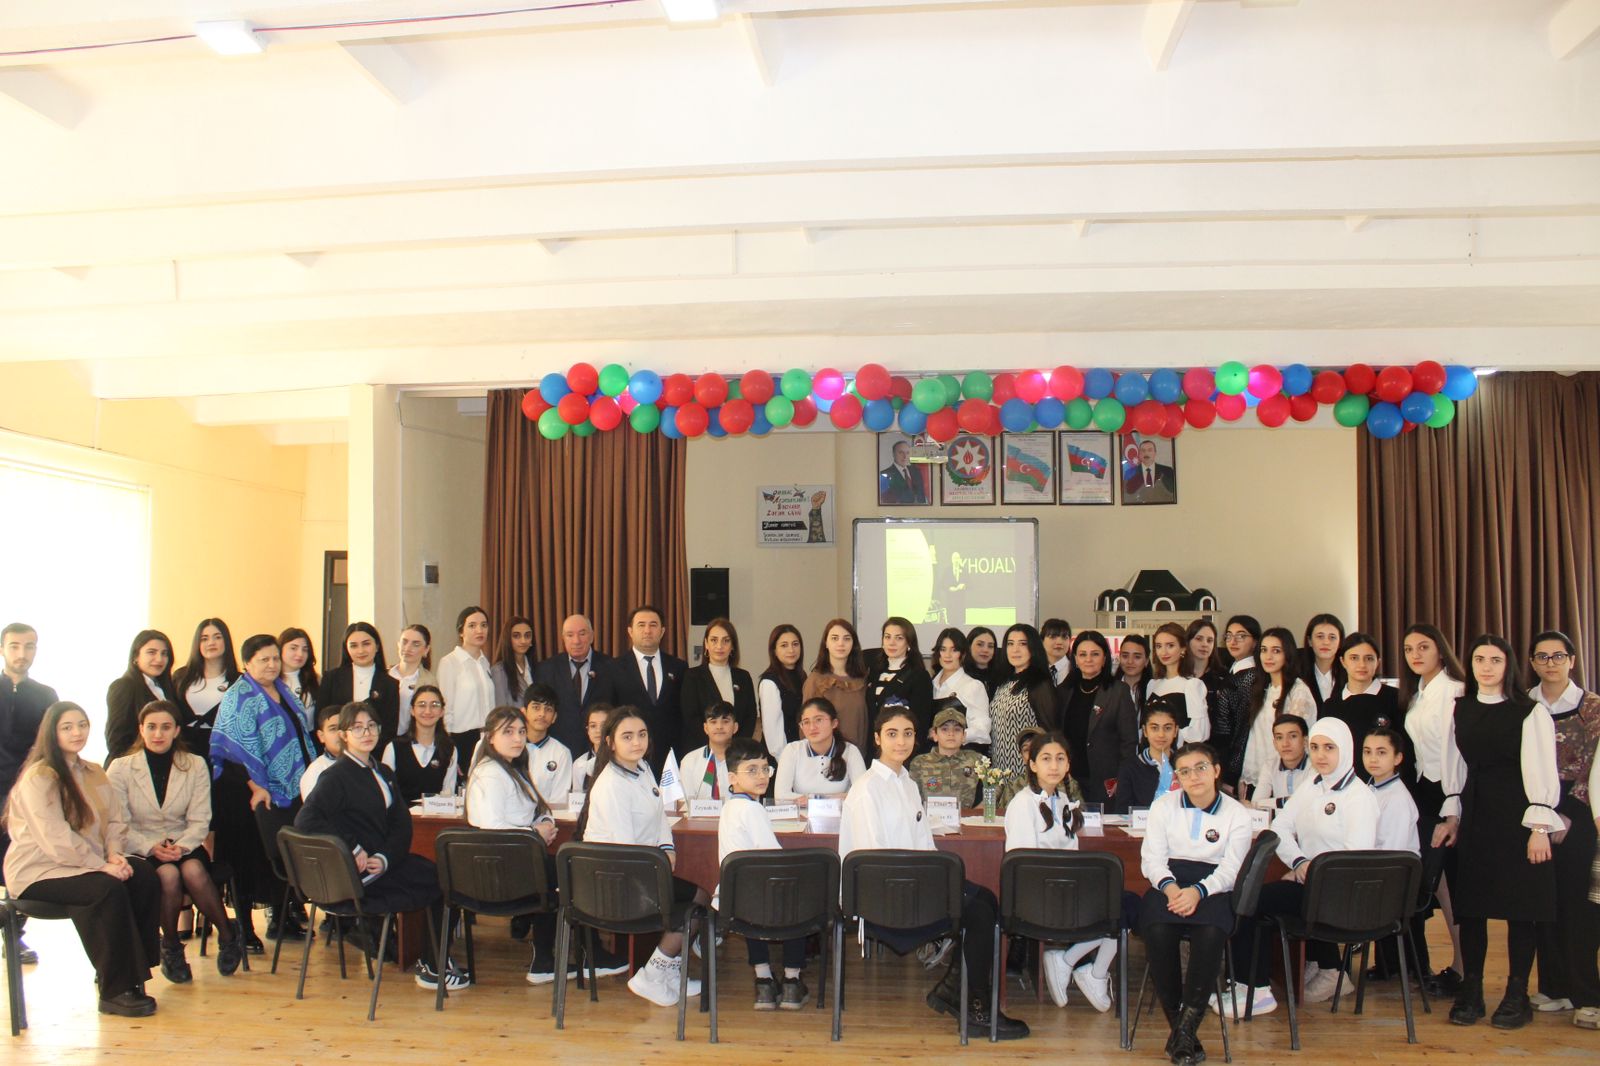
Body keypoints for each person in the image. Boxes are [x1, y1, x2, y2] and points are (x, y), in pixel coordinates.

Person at [839, 704, 1029, 1039]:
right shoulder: (868, 788)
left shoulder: (907, 782)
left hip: (913, 882)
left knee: (986, 899)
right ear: (877, 738)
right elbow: (873, 862)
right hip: (885, 896)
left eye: (908, 734)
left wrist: (943, 881)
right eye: (892, 734)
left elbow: (925, 846)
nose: (901, 742)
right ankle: (975, 1008)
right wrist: (934, 885)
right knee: (978, 914)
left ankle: (957, 990)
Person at [4, 701, 161, 1016]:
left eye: (82, 725)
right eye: (67, 727)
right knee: (105, 888)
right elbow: (55, 838)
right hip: (39, 872)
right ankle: (114, 991)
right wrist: (101, 866)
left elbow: (115, 820)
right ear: (52, 733)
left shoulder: (94, 771)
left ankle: (127, 971)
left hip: (87, 865)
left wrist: (114, 854)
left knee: (143, 874)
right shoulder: (39, 777)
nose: (77, 732)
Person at [295, 702, 467, 991]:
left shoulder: (383, 771)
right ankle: (433, 966)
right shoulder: (336, 775)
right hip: (357, 876)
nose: (366, 733)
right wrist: (351, 849)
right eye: (357, 728)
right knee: (441, 883)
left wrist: (386, 857)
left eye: (371, 726)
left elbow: (401, 824)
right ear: (344, 735)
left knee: (446, 875)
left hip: (384, 864)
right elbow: (306, 819)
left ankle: (431, 960)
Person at [1436, 634, 1560, 1029]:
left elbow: (1542, 769)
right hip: (1476, 813)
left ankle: (1516, 994)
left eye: (1495, 660)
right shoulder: (1460, 709)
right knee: (1472, 908)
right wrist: (1453, 815)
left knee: (1521, 910)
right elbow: (1454, 765)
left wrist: (1539, 827)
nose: (1486, 667)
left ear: (1508, 665)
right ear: (1470, 665)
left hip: (1518, 816)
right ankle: (1471, 991)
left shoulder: (1530, 712)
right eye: (1479, 659)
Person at [1222, 717, 1377, 1016]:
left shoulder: (1359, 798)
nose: (1320, 755)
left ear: (1346, 749)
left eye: (1329, 748)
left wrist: (1311, 869)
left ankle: (1255, 989)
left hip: (1338, 893)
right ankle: (1251, 984)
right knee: (1249, 898)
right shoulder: (1313, 785)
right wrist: (1299, 861)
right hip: (1313, 883)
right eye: (1315, 747)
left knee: (1249, 900)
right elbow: (1279, 828)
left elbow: (1353, 861)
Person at [576, 706, 709, 1006]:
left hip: (641, 869)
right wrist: (658, 863)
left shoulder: (643, 767)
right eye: (627, 736)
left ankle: (665, 971)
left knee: (701, 894)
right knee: (697, 902)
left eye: (642, 734)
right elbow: (626, 850)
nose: (637, 742)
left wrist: (667, 848)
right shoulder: (611, 785)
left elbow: (659, 814)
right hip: (616, 879)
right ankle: (654, 973)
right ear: (610, 742)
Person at [106, 700, 244, 982]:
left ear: (177, 730)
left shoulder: (195, 764)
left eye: (166, 727)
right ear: (141, 729)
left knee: (192, 869)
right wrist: (150, 847)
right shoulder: (120, 768)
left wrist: (181, 846)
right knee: (168, 875)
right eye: (152, 727)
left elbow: (200, 819)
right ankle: (171, 946)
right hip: (141, 847)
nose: (158, 734)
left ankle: (228, 936)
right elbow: (118, 823)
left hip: (185, 842)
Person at [1138, 742, 1251, 1064]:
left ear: (1216, 771)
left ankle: (1184, 1032)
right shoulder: (1163, 807)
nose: (1194, 776)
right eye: (1184, 771)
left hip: (1214, 887)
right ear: (1177, 777)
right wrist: (1172, 889)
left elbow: (1232, 870)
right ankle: (1184, 1032)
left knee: (1211, 935)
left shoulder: (1237, 814)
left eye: (1200, 768)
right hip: (1169, 883)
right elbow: (1152, 860)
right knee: (1157, 931)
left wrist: (1199, 892)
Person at [209, 633, 314, 948]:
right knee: (247, 859)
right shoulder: (238, 696)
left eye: (275, 658)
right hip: (244, 792)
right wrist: (257, 786)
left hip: (288, 789)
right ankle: (244, 930)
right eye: (263, 659)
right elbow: (232, 749)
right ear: (246, 663)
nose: (272, 664)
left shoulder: (284, 690)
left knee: (280, 854)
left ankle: (280, 920)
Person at [1004, 730, 1116, 1012]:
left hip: (1064, 888)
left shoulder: (1065, 801)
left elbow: (1072, 855)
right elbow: (1022, 864)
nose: (1053, 766)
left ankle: (1082, 967)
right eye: (1045, 759)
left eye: (1060, 759)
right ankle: (1073, 964)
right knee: (1114, 910)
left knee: (1123, 905)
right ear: (1032, 764)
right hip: (1036, 896)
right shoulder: (1022, 804)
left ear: (1068, 765)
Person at [1525, 630, 1600, 1027]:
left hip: (1580, 814)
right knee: (1543, 902)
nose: (1550, 663)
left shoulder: (1592, 707)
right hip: (1535, 816)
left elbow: (1594, 768)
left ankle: (1587, 995)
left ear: (1571, 660)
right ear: (1532, 663)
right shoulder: (1524, 703)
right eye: (1542, 656)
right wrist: (1543, 815)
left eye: (1558, 656)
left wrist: (1567, 813)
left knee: (1578, 907)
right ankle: (1554, 987)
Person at [1398, 622, 1468, 995]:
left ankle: (1463, 969)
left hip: (1449, 791)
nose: (1416, 655)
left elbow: (1455, 752)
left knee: (1453, 885)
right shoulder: (1418, 693)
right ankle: (1458, 966)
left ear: (1440, 650)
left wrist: (1452, 806)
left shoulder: (1453, 690)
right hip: (1425, 790)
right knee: (1438, 884)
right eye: (1409, 649)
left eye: (1423, 647)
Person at [717, 736, 810, 1010]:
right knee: (800, 897)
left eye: (765, 769)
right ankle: (792, 980)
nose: (761, 776)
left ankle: (764, 982)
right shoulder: (752, 809)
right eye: (752, 770)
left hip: (737, 898)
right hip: (761, 896)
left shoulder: (730, 807)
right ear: (732, 778)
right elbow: (773, 858)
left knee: (755, 904)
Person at [1, 622, 54, 965]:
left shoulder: (46, 695)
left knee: (19, 861)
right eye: (15, 646)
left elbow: (49, 745)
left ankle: (13, 935)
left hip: (27, 789)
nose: (22, 654)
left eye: (29, 646)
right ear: (3, 649)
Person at [1363, 725, 1422, 983]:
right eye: (1367, 752)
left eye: (1381, 752)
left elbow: (1391, 853)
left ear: (1397, 758)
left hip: (1395, 879)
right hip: (1377, 871)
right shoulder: (1370, 788)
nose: (1373, 759)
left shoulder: (1397, 798)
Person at [604, 605, 686, 777]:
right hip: (629, 755)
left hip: (670, 756)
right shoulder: (613, 668)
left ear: (662, 631)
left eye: (653, 625)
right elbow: (609, 712)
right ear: (630, 631)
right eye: (641, 625)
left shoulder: (679, 667)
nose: (647, 630)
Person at [1234, 627, 1316, 799]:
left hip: (1285, 778)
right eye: (1264, 650)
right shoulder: (1261, 689)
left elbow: (1297, 742)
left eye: (1276, 651)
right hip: (1255, 774)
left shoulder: (1298, 692)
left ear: (1288, 654)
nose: (1268, 657)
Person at [1061, 630, 1138, 802]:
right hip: (1069, 779)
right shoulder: (1065, 691)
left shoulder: (1119, 691)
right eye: (1083, 654)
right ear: (1075, 659)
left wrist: (1122, 778)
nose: (1088, 659)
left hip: (1106, 782)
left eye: (1095, 654)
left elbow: (1129, 741)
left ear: (1104, 658)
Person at [1319, 632, 1405, 781]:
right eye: (1354, 658)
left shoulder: (1396, 698)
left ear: (1378, 662)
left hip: (1386, 785)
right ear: (1343, 661)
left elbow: (1405, 749)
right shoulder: (1331, 706)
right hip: (1344, 785)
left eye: (1369, 658)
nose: (1362, 665)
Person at [533, 613, 616, 757]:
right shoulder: (546, 669)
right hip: (559, 751)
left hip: (601, 751)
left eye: (582, 634)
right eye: (570, 635)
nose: (576, 641)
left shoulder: (611, 667)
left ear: (592, 636)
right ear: (563, 638)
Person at [678, 618, 757, 756]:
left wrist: (734, 747)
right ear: (706, 644)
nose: (719, 646)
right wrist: (716, 747)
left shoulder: (743, 677)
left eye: (726, 641)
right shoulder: (692, 676)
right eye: (714, 640)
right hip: (704, 752)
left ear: (733, 646)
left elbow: (750, 716)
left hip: (736, 753)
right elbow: (691, 718)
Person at [318, 622, 401, 751]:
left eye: (366, 644)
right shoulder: (332, 678)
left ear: (377, 646)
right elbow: (322, 719)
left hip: (374, 754)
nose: (360, 650)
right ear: (346, 649)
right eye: (354, 646)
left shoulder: (390, 684)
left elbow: (389, 729)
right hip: (338, 752)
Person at [990, 624, 1057, 778]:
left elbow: (1050, 731)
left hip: (1026, 773)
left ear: (1033, 648)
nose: (1015, 650)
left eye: (1022, 644)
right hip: (999, 772)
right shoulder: (1003, 682)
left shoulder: (1040, 684)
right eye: (1010, 644)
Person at [104, 630, 179, 764]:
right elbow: (116, 739)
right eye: (152, 652)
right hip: (131, 766)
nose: (159, 659)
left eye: (164, 653)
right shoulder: (123, 685)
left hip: (164, 763)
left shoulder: (168, 687)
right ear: (136, 656)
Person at [774, 696, 866, 804]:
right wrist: (835, 798)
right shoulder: (792, 750)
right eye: (806, 722)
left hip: (841, 814)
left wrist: (808, 799)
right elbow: (780, 798)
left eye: (818, 720)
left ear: (834, 723)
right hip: (803, 814)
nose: (812, 727)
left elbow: (862, 794)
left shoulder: (850, 751)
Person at [437, 606, 495, 775]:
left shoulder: (485, 662)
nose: (479, 630)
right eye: (472, 625)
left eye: (484, 625)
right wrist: (448, 747)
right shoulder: (450, 662)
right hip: (461, 739)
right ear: (461, 631)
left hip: (487, 737)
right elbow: (445, 709)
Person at [863, 617, 935, 755]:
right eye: (887, 637)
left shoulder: (919, 676)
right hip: (874, 749)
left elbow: (921, 722)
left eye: (899, 638)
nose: (892, 642)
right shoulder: (874, 671)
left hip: (902, 751)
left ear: (909, 643)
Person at [802, 619, 870, 761]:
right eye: (834, 638)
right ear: (826, 643)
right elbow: (807, 725)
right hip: (826, 758)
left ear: (853, 644)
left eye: (847, 638)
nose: (841, 643)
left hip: (858, 756)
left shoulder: (862, 679)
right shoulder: (815, 680)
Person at [172, 618, 239, 759]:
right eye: (204, 639)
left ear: (226, 641)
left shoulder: (239, 681)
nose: (211, 643)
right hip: (183, 748)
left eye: (217, 637)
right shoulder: (181, 676)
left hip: (221, 751)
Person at [380, 685, 459, 804]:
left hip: (436, 814)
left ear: (442, 711)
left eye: (434, 705)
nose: (428, 711)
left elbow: (449, 793)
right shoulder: (394, 748)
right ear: (412, 710)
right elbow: (385, 791)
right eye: (422, 705)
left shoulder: (449, 750)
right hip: (401, 814)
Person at [1108, 695, 1183, 813]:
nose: (1161, 734)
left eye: (1167, 728)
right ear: (1145, 731)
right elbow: (1123, 812)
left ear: (1176, 731)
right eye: (1154, 728)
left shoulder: (1185, 765)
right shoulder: (1129, 768)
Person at [1215, 615, 1263, 789]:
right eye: (1229, 636)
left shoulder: (1249, 676)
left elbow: (1243, 728)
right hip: (1228, 756)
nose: (1233, 641)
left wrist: (1231, 773)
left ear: (1255, 641)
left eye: (1241, 636)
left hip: (1237, 761)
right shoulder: (1234, 671)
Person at [1144, 623, 1209, 746]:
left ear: (1183, 648)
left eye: (1170, 645)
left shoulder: (1192, 685)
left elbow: (1200, 733)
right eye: (1159, 646)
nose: (1164, 652)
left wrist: (1170, 737)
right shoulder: (1152, 685)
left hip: (1180, 753)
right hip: (1154, 753)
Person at [909, 702, 983, 807]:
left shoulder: (975, 760)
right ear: (934, 735)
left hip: (966, 816)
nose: (951, 734)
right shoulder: (919, 763)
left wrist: (982, 808)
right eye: (944, 729)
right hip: (929, 816)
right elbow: (910, 796)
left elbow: (995, 783)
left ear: (964, 736)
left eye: (957, 729)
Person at [929, 628, 992, 747]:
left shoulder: (973, 686)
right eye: (943, 649)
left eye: (954, 650)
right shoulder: (930, 685)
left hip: (962, 753)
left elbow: (982, 730)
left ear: (963, 654)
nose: (947, 655)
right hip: (931, 753)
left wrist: (955, 736)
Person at [757, 624, 806, 757]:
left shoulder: (802, 677)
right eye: (784, 645)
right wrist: (786, 761)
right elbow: (773, 734)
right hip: (780, 757)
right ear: (774, 650)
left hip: (800, 751)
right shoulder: (769, 682)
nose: (791, 650)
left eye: (795, 644)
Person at [521, 683, 573, 802]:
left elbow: (559, 801)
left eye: (548, 709)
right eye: (536, 707)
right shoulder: (509, 746)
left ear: (554, 717)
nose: (542, 714)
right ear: (523, 712)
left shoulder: (561, 753)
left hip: (546, 814)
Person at [1249, 714, 1310, 812]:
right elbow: (1255, 803)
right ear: (1275, 744)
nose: (1285, 743)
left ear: (1305, 741)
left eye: (1293, 736)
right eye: (1279, 737)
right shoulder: (1270, 766)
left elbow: (1307, 802)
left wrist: (1266, 803)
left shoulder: (1315, 767)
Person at [680, 701, 737, 802]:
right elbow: (686, 803)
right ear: (705, 728)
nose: (719, 727)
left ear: (735, 727)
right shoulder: (690, 761)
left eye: (725, 721)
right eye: (713, 722)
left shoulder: (746, 759)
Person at [388, 624, 436, 738]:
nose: (408, 648)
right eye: (404, 642)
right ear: (398, 644)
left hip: (411, 738)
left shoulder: (429, 681)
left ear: (426, 650)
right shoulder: (385, 675)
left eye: (416, 644)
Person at [1298, 614, 1346, 716]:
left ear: (1340, 642)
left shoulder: (1349, 672)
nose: (1326, 642)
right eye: (1320, 637)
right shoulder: (1296, 671)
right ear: (1310, 641)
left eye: (1332, 637)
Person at [490, 616, 536, 708]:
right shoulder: (499, 671)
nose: (523, 641)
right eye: (516, 636)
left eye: (527, 636)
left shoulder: (537, 668)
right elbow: (501, 710)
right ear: (507, 639)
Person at [300, 704, 344, 801]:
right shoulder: (316, 772)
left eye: (343, 727)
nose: (340, 734)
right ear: (321, 736)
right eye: (333, 729)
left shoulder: (366, 763)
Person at [278, 628, 320, 723]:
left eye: (305, 650)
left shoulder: (316, 679)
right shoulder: (271, 681)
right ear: (280, 649)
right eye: (293, 648)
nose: (300, 654)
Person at [571, 704, 608, 794]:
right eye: (593, 726)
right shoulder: (579, 764)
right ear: (588, 730)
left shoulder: (623, 761)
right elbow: (577, 799)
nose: (598, 730)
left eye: (604, 725)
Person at [878, 439, 927, 504]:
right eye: (901, 452)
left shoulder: (916, 471)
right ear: (893, 454)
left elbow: (921, 497)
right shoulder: (884, 474)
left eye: (907, 453)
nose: (905, 456)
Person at [1116, 633, 1151, 718]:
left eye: (1137, 657)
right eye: (1125, 656)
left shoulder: (1153, 689)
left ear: (1146, 661)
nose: (1130, 661)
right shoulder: (1109, 689)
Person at [964, 626, 1001, 697]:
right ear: (969, 646)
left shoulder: (1001, 677)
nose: (985, 650)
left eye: (990, 646)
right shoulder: (961, 675)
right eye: (980, 644)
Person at [1041, 618, 1074, 687]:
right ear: (1042, 641)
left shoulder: (1076, 670)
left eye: (1064, 637)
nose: (1059, 642)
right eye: (1053, 637)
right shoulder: (1035, 670)